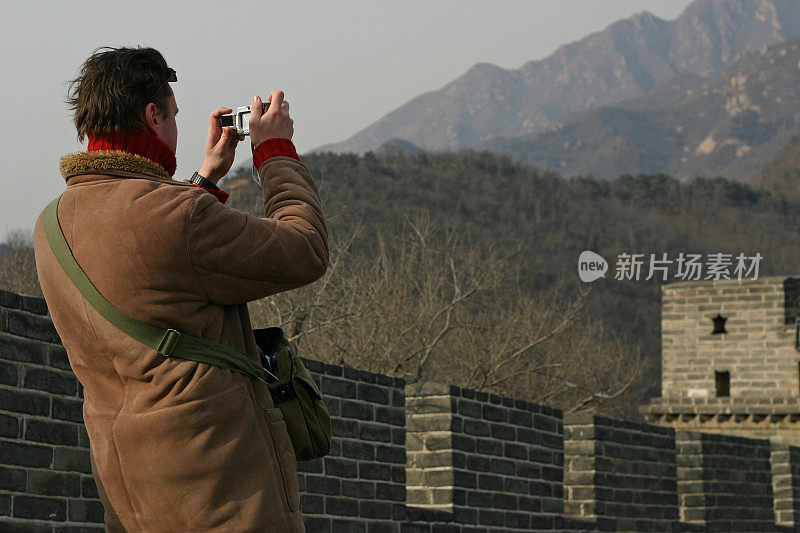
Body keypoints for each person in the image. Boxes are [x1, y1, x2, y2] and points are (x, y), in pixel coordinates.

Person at [32, 46, 328, 532]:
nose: (175, 129)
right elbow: (306, 248)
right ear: (153, 116)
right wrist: (275, 152)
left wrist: (206, 176)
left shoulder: (51, 225)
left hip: (132, 493)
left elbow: (152, 264)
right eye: (172, 116)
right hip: (222, 492)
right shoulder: (178, 217)